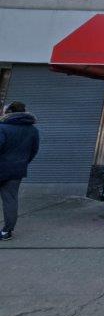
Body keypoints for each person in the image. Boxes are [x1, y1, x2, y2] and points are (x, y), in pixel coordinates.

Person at [0, 102, 39, 241]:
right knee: (10, 200)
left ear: (9, 112)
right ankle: (7, 232)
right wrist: (22, 163)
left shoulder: (2, 128)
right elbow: (33, 151)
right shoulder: (33, 130)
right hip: (17, 170)